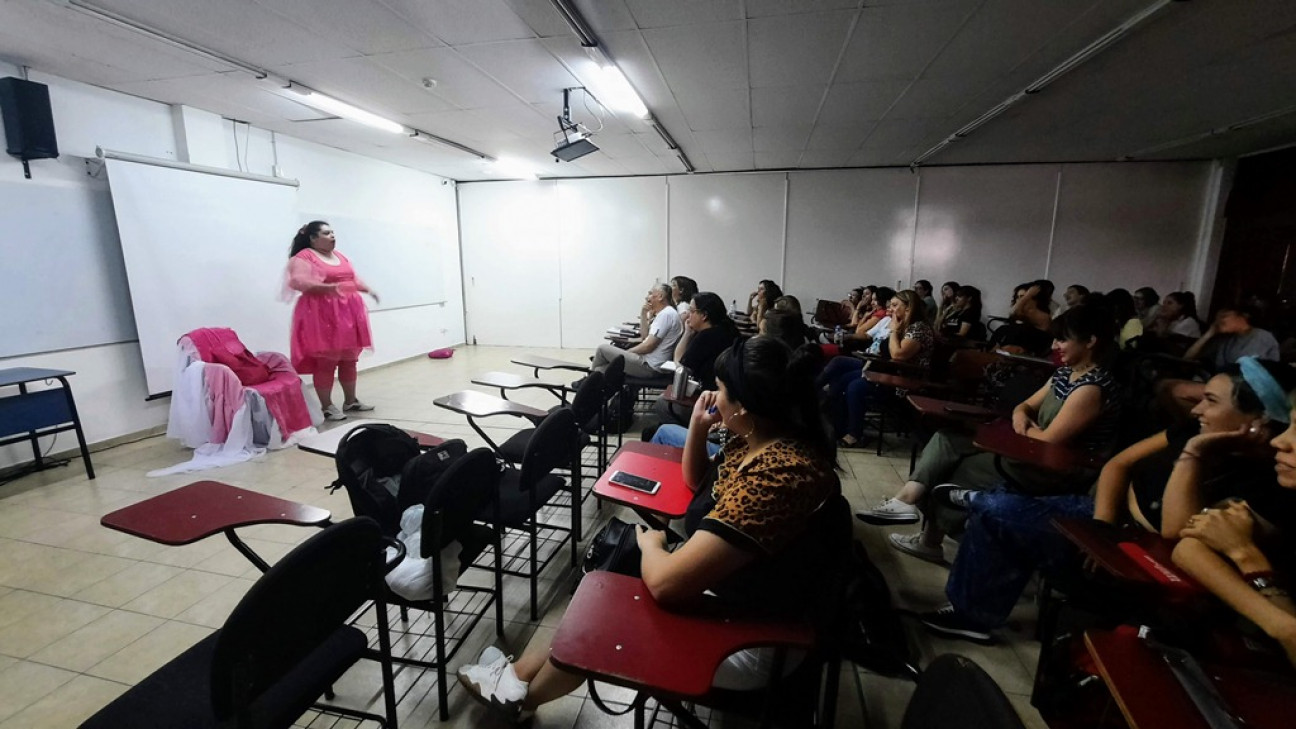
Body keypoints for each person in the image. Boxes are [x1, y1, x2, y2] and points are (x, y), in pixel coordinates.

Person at [456, 336, 841, 720]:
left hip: (752, 642)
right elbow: (697, 483)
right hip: (735, 597)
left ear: (746, 405)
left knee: (606, 607)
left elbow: (665, 583)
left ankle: (517, 698)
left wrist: (652, 546)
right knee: (606, 579)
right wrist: (698, 427)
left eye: (721, 390)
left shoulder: (778, 475)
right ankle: (517, 681)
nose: (712, 395)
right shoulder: (761, 438)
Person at [920, 358, 1296, 643]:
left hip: (1144, 553)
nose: (1197, 410)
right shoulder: (1190, 428)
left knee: (1001, 511)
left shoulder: (1268, 478)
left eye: (1210, 401)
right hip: (1107, 517)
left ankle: (973, 610)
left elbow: (1172, 530)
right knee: (1001, 508)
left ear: (1256, 420)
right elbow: (1119, 464)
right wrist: (1102, 525)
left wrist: (1195, 453)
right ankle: (975, 563)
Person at [858, 306, 1119, 563]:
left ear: (1091, 341)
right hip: (1030, 448)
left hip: (1054, 467)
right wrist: (1024, 420)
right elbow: (1023, 407)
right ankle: (905, 501)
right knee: (947, 439)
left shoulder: (1092, 388)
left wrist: (1027, 427)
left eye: (1062, 339)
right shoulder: (1065, 374)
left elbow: (1050, 441)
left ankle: (938, 543)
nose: (1054, 345)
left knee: (954, 472)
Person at [1173, 400, 1296, 667]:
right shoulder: (1283, 496)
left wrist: (1246, 554)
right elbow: (1190, 543)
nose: (1280, 442)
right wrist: (1283, 626)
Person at [285, 220, 379, 421]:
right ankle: (327, 406)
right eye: (327, 233)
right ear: (312, 238)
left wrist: (367, 289)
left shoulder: (339, 256)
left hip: (348, 313)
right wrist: (328, 289)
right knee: (326, 361)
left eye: (333, 232)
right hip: (322, 315)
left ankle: (351, 400)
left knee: (349, 359)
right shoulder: (304, 257)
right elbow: (297, 281)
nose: (332, 236)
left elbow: (351, 278)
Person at [834, 290, 935, 448]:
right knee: (844, 379)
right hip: (889, 373)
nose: (891, 309)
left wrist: (893, 329)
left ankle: (854, 434)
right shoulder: (904, 325)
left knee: (856, 386)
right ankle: (838, 427)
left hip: (905, 382)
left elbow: (898, 355)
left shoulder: (919, 328)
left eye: (895, 305)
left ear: (908, 308)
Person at [1160, 303, 1282, 414]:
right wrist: (1210, 332)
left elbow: (1245, 373)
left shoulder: (1261, 337)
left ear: (1244, 316)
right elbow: (1188, 358)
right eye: (1217, 318)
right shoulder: (1225, 340)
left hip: (1246, 390)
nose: (1219, 321)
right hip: (1224, 386)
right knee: (1163, 386)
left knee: (1179, 391)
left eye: (1225, 316)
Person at [656, 293, 741, 426]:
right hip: (728, 400)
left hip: (711, 402)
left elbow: (680, 368)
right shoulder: (729, 331)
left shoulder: (706, 337)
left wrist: (687, 333)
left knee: (662, 403)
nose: (688, 315)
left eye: (692, 311)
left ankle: (685, 436)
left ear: (704, 315)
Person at [591, 284, 682, 378]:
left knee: (602, 349)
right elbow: (644, 337)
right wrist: (643, 314)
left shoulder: (666, 315)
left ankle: (587, 383)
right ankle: (588, 382)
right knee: (602, 369)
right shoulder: (666, 313)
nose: (647, 297)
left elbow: (648, 346)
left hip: (650, 366)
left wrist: (628, 352)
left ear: (660, 297)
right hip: (650, 362)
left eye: (651, 293)